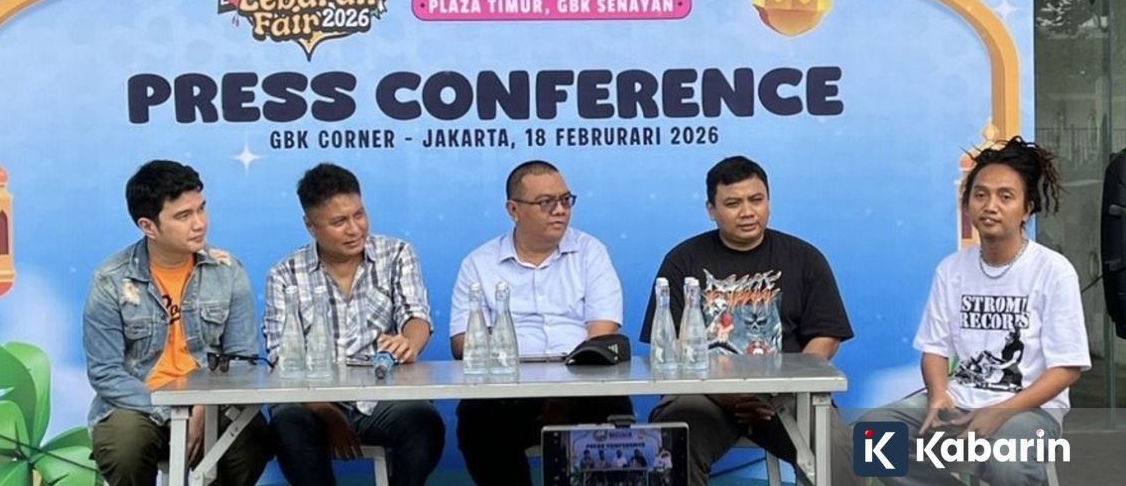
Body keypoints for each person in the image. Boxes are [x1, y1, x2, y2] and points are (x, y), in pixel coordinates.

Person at [859, 137, 1091, 485]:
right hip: (960, 401)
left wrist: (1001, 411)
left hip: (1030, 410)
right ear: (967, 204)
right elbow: (934, 350)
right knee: (873, 435)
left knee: (1008, 460)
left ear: (1027, 209)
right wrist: (939, 396)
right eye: (980, 195)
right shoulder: (951, 269)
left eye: (1005, 196)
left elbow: (1067, 368)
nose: (990, 206)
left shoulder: (1053, 271)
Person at [640, 155, 857, 486]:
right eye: (733, 203)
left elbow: (826, 337)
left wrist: (780, 386)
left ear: (768, 201)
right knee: (674, 446)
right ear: (711, 209)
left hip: (785, 395)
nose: (747, 212)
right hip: (701, 394)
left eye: (756, 200)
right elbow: (670, 347)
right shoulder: (683, 260)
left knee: (836, 450)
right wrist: (725, 393)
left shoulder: (804, 258)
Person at [84, 160, 270, 486]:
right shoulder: (110, 280)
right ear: (148, 226)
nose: (199, 224)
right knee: (124, 445)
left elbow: (242, 362)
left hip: (209, 403)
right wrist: (173, 411)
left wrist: (204, 406)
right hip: (139, 405)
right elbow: (105, 372)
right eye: (183, 216)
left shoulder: (228, 271)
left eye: (201, 209)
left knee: (252, 438)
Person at [450, 160, 633, 486]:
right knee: (477, 420)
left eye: (566, 200)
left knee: (614, 408)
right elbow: (463, 343)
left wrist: (563, 394)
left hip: (583, 388)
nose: (560, 210)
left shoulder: (590, 252)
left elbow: (603, 332)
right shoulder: (479, 264)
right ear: (513, 210)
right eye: (547, 202)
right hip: (507, 392)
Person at [263, 163, 444, 486]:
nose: (354, 229)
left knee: (423, 422)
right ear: (310, 226)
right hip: (312, 401)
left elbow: (416, 316)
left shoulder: (397, 254)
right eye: (339, 222)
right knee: (288, 424)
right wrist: (326, 411)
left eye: (359, 215)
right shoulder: (284, 274)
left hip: (382, 397)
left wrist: (409, 343)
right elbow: (282, 358)